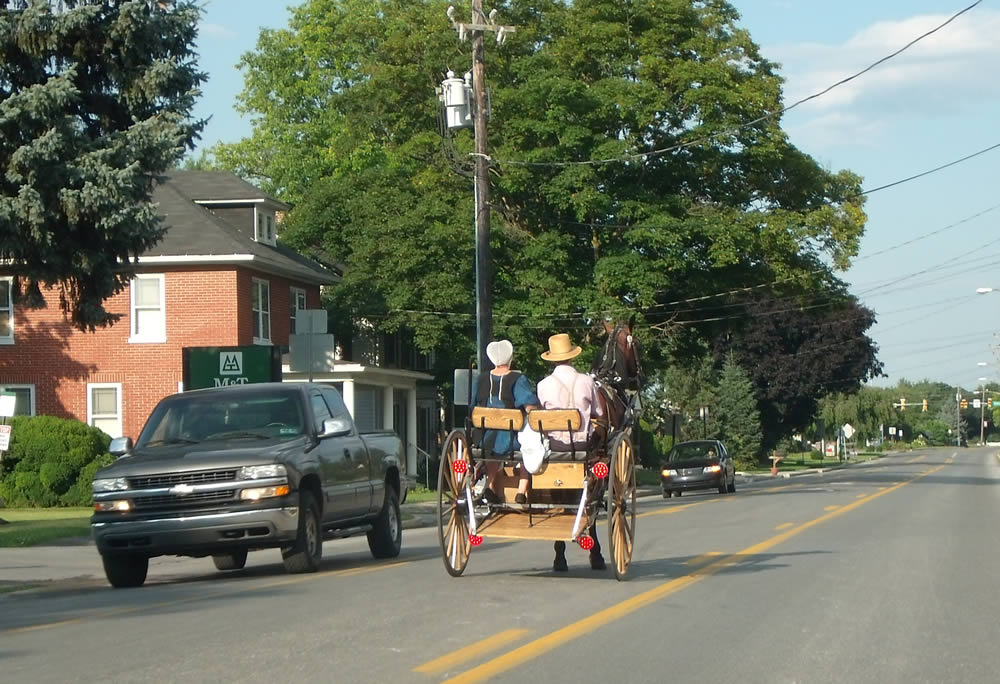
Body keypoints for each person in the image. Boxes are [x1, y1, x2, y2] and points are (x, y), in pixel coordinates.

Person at [536, 333, 606, 572]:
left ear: (552, 359)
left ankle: (559, 555)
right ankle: (594, 551)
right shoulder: (587, 382)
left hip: (555, 449)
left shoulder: (543, 385)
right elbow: (598, 412)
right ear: (571, 357)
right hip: (582, 449)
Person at [470, 339, 539, 505]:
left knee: (494, 447)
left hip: (483, 438)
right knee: (528, 444)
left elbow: (472, 405)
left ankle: (490, 486)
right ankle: (521, 491)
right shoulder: (518, 379)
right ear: (510, 358)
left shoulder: (481, 379)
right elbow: (529, 406)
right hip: (510, 438)